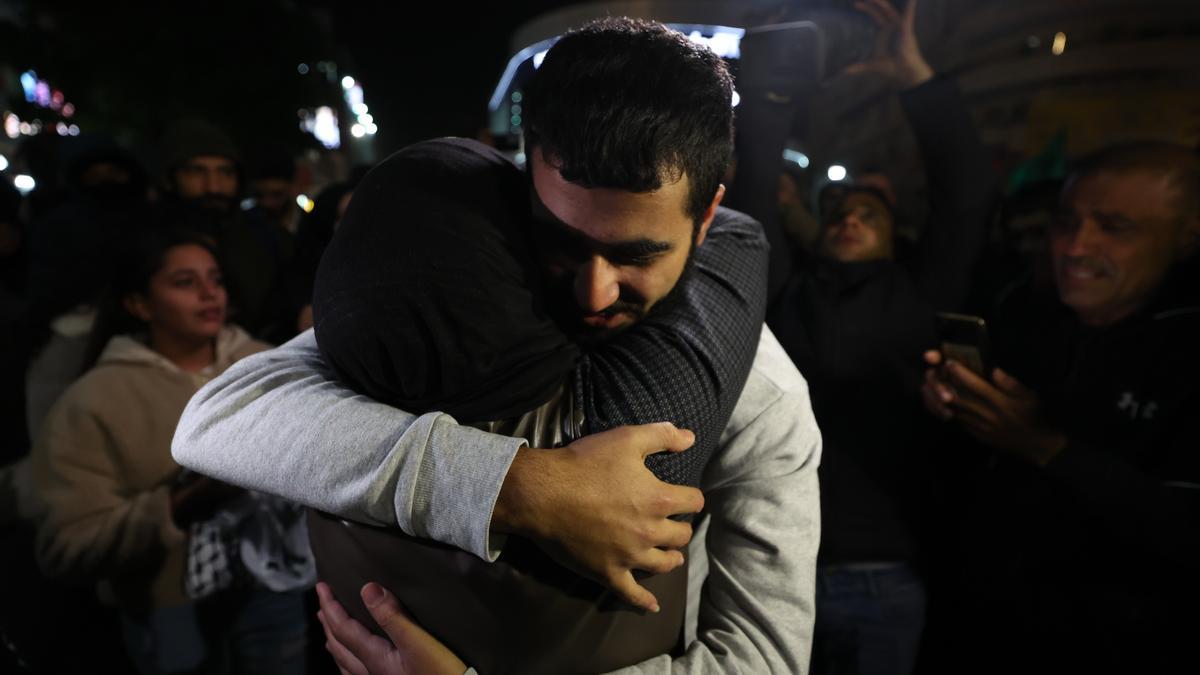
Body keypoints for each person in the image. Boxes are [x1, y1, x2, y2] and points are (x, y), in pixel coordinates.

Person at [174, 17, 820, 674]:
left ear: (707, 215)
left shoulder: (760, 391)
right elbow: (217, 417)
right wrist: (517, 486)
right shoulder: (460, 307)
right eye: (563, 243)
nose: (594, 294)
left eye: (636, 256)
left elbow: (766, 658)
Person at [726, 1, 995, 672]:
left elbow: (965, 198)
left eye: (868, 212)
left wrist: (918, 81)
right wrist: (770, 84)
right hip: (784, 569)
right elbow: (755, 192)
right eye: (840, 211)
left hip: (886, 574)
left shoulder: (920, 294)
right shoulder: (790, 292)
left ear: (892, 232)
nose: (850, 219)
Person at [920, 141, 1200, 674]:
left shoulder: (1186, 350)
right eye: (1066, 222)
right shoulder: (1025, 315)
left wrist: (1045, 445)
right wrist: (953, 407)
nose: (1074, 247)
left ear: (1187, 239)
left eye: (1115, 228)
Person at [31, 227, 313, 674]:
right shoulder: (93, 401)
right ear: (138, 304)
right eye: (185, 283)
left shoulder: (265, 364)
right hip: (169, 608)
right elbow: (64, 546)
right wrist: (180, 504)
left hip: (274, 588)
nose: (209, 294)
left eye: (215, 279)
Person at [155, 118, 291, 339]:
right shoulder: (146, 243)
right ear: (170, 179)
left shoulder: (269, 239)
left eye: (225, 172)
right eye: (196, 172)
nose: (213, 186)